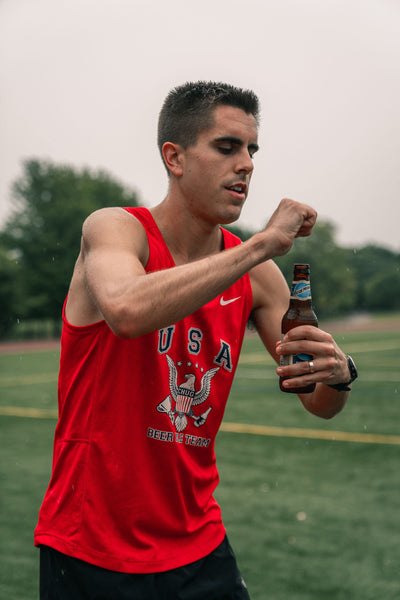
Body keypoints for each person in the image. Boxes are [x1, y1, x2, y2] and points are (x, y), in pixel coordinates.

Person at [35, 81, 356, 600]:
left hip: (199, 545)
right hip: (90, 544)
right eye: (227, 147)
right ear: (175, 158)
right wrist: (259, 246)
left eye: (252, 150)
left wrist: (341, 374)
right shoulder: (118, 230)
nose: (247, 163)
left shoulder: (260, 275)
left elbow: (318, 404)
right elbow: (126, 309)